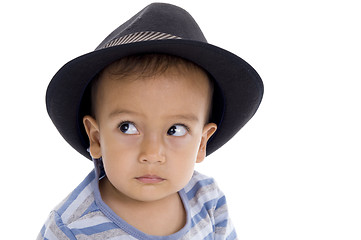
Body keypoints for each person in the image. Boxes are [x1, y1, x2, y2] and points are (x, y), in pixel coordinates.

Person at [38, 2, 263, 240]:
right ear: (96, 137)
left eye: (175, 130)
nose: (152, 153)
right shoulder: (71, 227)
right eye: (128, 127)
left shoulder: (208, 200)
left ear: (201, 143)